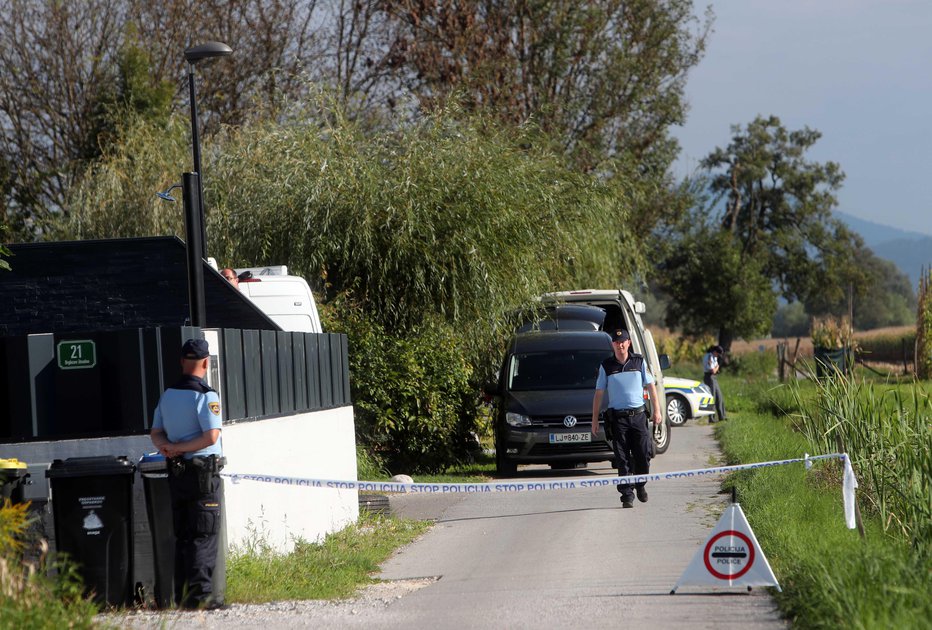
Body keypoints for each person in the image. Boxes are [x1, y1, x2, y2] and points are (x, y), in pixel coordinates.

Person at [150, 338, 225, 609]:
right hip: (202, 474)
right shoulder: (207, 395)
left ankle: (182, 598)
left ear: (182, 362)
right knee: (203, 534)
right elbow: (210, 436)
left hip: (177, 474)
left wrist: (167, 449)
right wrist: (180, 448)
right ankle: (200, 598)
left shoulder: (167, 395)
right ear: (206, 363)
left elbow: (155, 432)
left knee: (182, 534)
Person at [591, 329, 663, 508]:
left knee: (643, 455)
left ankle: (640, 484)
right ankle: (626, 495)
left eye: (623, 341)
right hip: (618, 419)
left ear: (628, 343)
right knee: (622, 459)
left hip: (638, 416)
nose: (620, 344)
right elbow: (599, 393)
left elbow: (651, 387)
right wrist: (594, 419)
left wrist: (657, 410)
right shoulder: (606, 366)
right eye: (616, 342)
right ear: (613, 345)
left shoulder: (638, 361)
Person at [702, 345, 727, 422]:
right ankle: (711, 418)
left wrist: (716, 367)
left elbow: (715, 369)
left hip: (713, 377)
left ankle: (722, 416)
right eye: (718, 354)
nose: (718, 356)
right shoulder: (709, 357)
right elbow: (713, 370)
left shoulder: (714, 357)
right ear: (715, 352)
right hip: (709, 377)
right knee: (712, 397)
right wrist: (718, 366)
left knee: (719, 396)